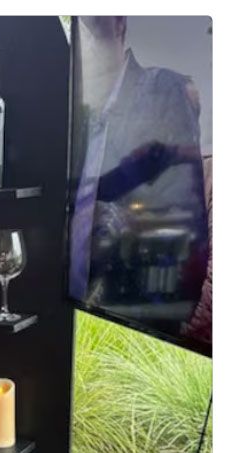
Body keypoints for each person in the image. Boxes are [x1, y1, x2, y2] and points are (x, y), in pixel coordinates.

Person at [69, 16, 208, 310]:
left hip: (121, 311)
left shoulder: (160, 89)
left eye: (90, 24)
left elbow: (179, 228)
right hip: (64, 304)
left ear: (118, 24)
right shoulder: (77, 113)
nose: (81, 36)